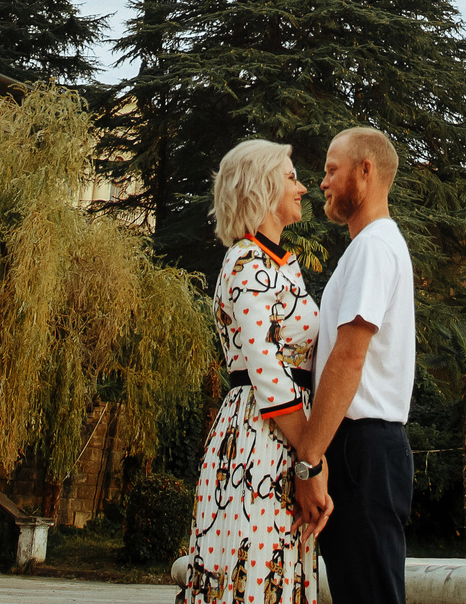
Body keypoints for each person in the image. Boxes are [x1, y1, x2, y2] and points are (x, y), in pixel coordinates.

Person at [183, 139, 327, 604]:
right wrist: (312, 457)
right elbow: (265, 370)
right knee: (256, 575)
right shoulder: (248, 262)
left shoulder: (277, 263)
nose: (303, 187)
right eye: (290, 177)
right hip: (262, 439)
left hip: (278, 436)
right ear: (262, 188)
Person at [293, 127, 415, 604]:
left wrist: (308, 461)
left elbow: (348, 357)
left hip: (361, 450)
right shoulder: (371, 247)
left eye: (331, 169)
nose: (322, 181)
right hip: (361, 451)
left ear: (366, 171)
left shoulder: (372, 247)